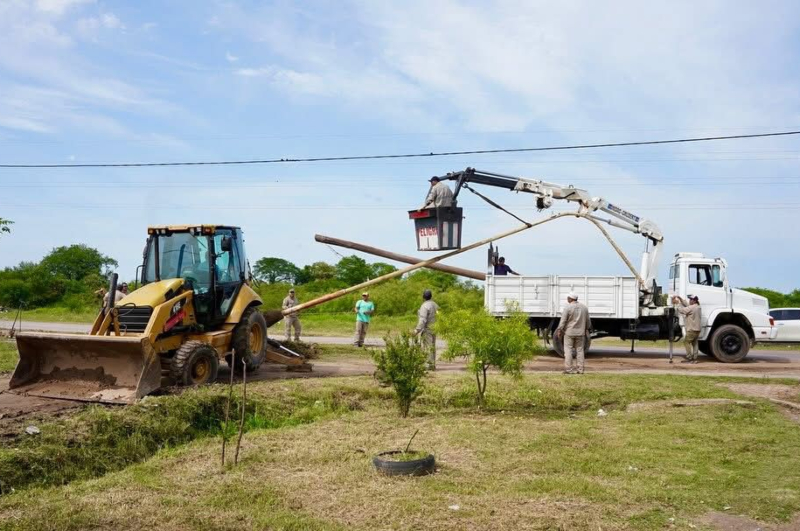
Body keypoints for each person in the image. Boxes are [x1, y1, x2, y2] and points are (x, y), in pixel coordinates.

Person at [555, 292, 592, 374]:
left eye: (568, 297)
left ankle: (569, 369)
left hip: (569, 333)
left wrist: (559, 330)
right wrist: (586, 329)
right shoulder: (584, 308)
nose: (567, 299)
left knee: (568, 350)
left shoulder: (567, 308)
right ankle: (580, 369)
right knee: (580, 350)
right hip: (581, 333)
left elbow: (563, 321)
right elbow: (588, 322)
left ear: (571, 299)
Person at [414, 289, 440, 370]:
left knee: (428, 347)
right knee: (432, 347)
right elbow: (439, 316)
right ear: (431, 296)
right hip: (435, 328)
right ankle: (432, 365)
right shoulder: (435, 305)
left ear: (423, 297)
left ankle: (429, 365)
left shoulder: (424, 306)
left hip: (427, 329)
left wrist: (417, 330)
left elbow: (423, 319)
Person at [673, 294, 701, 363]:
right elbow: (687, 304)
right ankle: (695, 359)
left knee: (686, 342)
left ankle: (689, 358)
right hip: (697, 329)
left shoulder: (692, 308)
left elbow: (682, 310)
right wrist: (680, 298)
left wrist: (677, 304)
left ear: (694, 301)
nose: (689, 300)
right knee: (695, 343)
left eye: (691, 299)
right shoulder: (697, 307)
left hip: (691, 329)